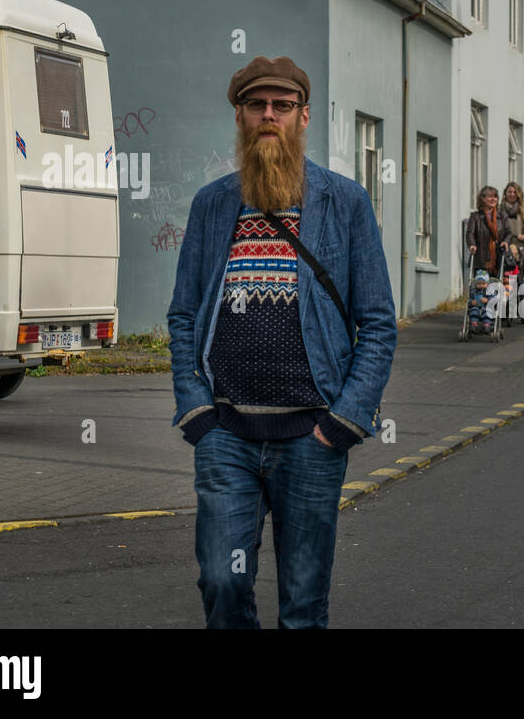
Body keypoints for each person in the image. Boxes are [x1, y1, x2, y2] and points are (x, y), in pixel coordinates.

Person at [167, 56, 397, 629]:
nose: (269, 116)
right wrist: (196, 408)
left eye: (282, 106)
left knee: (302, 601)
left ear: (303, 116)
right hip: (226, 434)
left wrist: (343, 421)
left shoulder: (344, 204)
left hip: (312, 439)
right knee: (221, 581)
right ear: (240, 117)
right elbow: (182, 315)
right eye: (256, 105)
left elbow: (378, 322)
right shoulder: (212, 205)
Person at [466, 185, 514, 277]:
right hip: (481, 258)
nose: (493, 199)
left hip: (499, 257)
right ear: (482, 199)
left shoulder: (502, 216)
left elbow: (509, 232)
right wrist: (471, 244)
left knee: (497, 287)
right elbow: (470, 233)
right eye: (490, 196)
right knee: (481, 288)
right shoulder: (475, 216)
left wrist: (505, 242)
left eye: (495, 196)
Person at [502, 181, 524, 282]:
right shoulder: (500, 208)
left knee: (517, 272)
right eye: (509, 192)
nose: (512, 194)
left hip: (520, 245)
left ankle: (517, 295)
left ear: (519, 194)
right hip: (505, 244)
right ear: (505, 193)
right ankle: (507, 295)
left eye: (514, 192)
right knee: (505, 273)